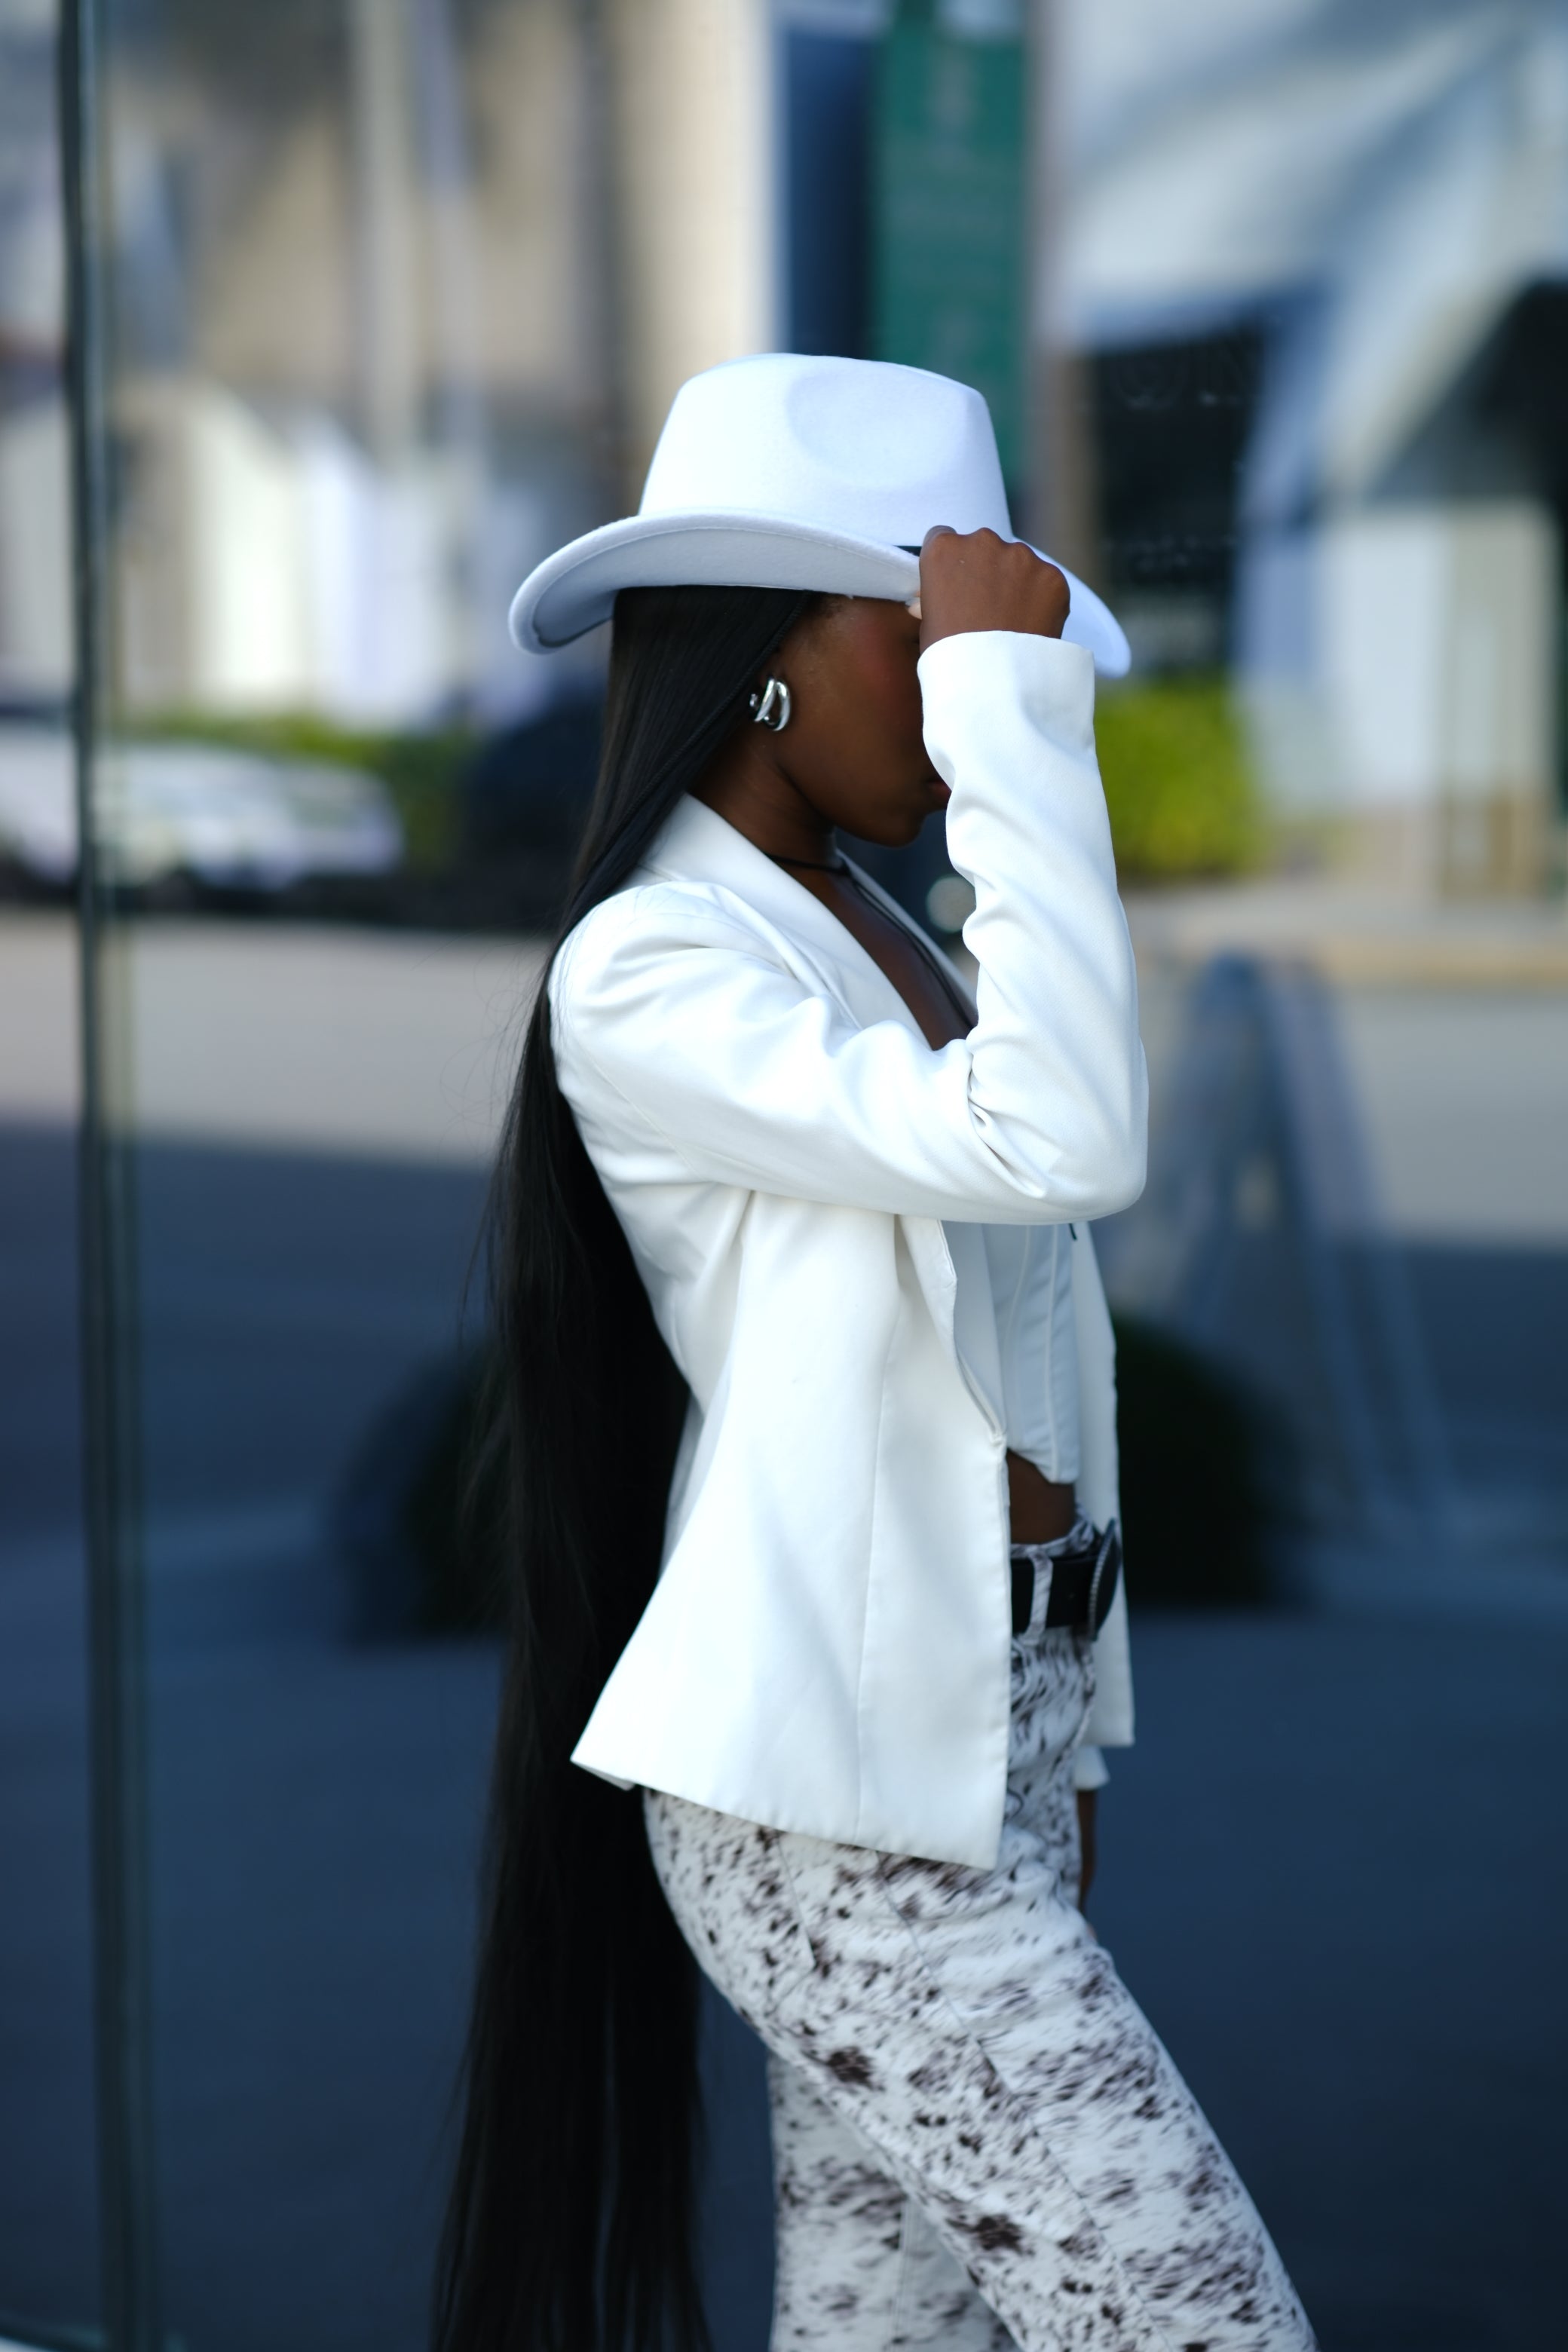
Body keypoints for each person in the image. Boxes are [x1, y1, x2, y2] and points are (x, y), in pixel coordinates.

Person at [434, 355, 1316, 2352]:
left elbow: (1029, 1334)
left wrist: (1065, 1713)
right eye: (926, 637)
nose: (958, 686)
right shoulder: (654, 960)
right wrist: (1021, 724)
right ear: (773, 650)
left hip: (958, 1743)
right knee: (1206, 2323)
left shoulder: (860, 920)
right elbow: (1065, 1136)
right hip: (827, 1813)